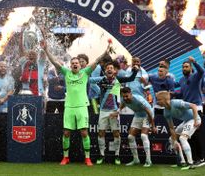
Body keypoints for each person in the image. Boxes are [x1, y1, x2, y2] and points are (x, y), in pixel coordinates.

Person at [41, 38, 111, 166]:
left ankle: (87, 158)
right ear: (70, 65)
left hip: (82, 106)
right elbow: (55, 62)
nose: (74, 64)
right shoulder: (66, 72)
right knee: (66, 132)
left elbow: (96, 61)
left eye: (77, 63)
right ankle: (65, 157)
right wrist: (46, 50)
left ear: (80, 65)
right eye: (73, 63)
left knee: (84, 132)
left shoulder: (85, 73)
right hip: (69, 106)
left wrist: (106, 51)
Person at [90, 62, 138, 165]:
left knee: (116, 133)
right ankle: (102, 155)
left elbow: (131, 78)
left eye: (111, 68)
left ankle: (117, 155)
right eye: (107, 68)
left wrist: (135, 71)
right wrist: (98, 91)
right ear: (105, 70)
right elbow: (90, 81)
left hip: (114, 111)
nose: (109, 69)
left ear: (114, 71)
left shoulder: (118, 80)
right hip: (103, 111)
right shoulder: (101, 79)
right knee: (101, 133)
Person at [156, 91, 201, 170]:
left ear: (165, 99)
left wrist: (196, 120)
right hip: (186, 121)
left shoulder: (176, 103)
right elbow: (171, 128)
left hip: (194, 119)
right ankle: (182, 162)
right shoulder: (166, 112)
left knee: (182, 138)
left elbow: (194, 106)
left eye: (159, 99)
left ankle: (191, 163)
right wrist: (175, 140)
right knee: (171, 139)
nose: (157, 101)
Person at [114, 87, 156, 167]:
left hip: (148, 115)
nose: (125, 98)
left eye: (127, 96)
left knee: (143, 136)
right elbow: (122, 104)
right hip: (137, 115)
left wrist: (153, 126)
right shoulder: (124, 100)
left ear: (131, 94)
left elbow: (149, 112)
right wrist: (118, 112)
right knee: (130, 137)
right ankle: (136, 160)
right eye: (124, 96)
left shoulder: (138, 100)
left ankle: (148, 160)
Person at [175, 57, 205, 166]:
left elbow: (202, 71)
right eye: (183, 67)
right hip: (187, 110)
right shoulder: (181, 80)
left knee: (197, 135)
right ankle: (194, 158)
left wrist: (195, 62)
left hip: (197, 109)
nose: (184, 68)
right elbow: (182, 94)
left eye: (186, 66)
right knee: (189, 136)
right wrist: (173, 94)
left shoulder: (196, 76)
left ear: (191, 68)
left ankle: (201, 158)